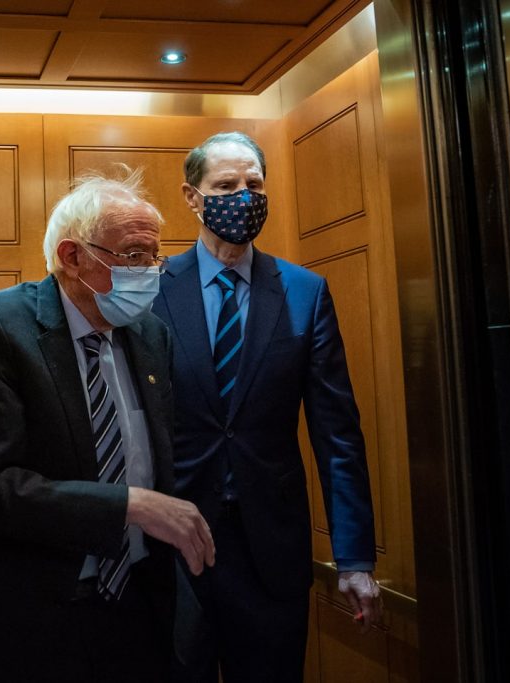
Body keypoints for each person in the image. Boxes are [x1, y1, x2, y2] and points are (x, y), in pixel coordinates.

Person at [0, 169, 216, 683]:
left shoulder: (150, 335)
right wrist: (130, 505)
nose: (148, 272)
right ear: (72, 257)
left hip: (135, 609)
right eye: (133, 256)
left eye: (154, 257)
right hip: (24, 616)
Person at [152, 132, 382, 683]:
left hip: (271, 554)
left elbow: (337, 434)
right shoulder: (152, 289)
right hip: (172, 548)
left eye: (253, 185)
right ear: (192, 197)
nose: (243, 197)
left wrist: (353, 558)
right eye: (225, 185)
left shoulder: (304, 292)